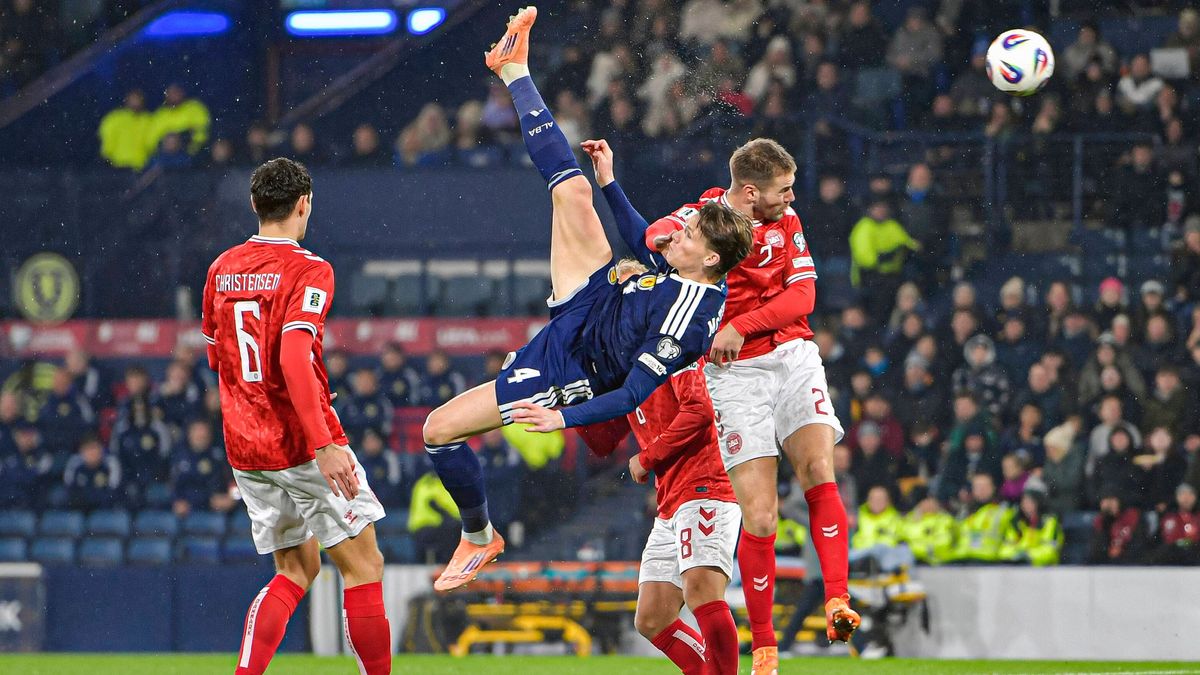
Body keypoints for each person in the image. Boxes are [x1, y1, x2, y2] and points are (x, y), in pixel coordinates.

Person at [421, 7, 752, 594]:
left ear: (707, 260)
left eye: (691, 235)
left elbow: (628, 394)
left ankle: (479, 535)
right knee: (573, 189)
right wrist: (608, 183)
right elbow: (640, 239)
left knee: (437, 429)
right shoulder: (688, 266)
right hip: (594, 297)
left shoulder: (690, 324)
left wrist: (560, 417)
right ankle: (515, 70)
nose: (678, 232)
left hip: (576, 366)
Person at [639, 126, 859, 672]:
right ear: (751, 192)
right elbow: (656, 234)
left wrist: (746, 323)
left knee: (817, 470)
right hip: (732, 377)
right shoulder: (707, 215)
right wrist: (662, 235)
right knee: (760, 517)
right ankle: (764, 647)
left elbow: (804, 295)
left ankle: (838, 598)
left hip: (790, 354)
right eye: (783, 189)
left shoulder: (787, 223)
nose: (791, 198)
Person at [201, 158, 391, 675]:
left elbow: (218, 357)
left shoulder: (220, 268)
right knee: (364, 566)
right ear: (303, 203)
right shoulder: (310, 269)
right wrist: (324, 444)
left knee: (297, 566)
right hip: (301, 442)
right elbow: (292, 358)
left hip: (246, 446)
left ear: (255, 205)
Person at [600, 264, 740, 674]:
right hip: (671, 498)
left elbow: (699, 411)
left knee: (703, 594)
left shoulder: (672, 342)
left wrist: (647, 457)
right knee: (653, 617)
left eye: (633, 285)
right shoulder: (628, 360)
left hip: (706, 484)